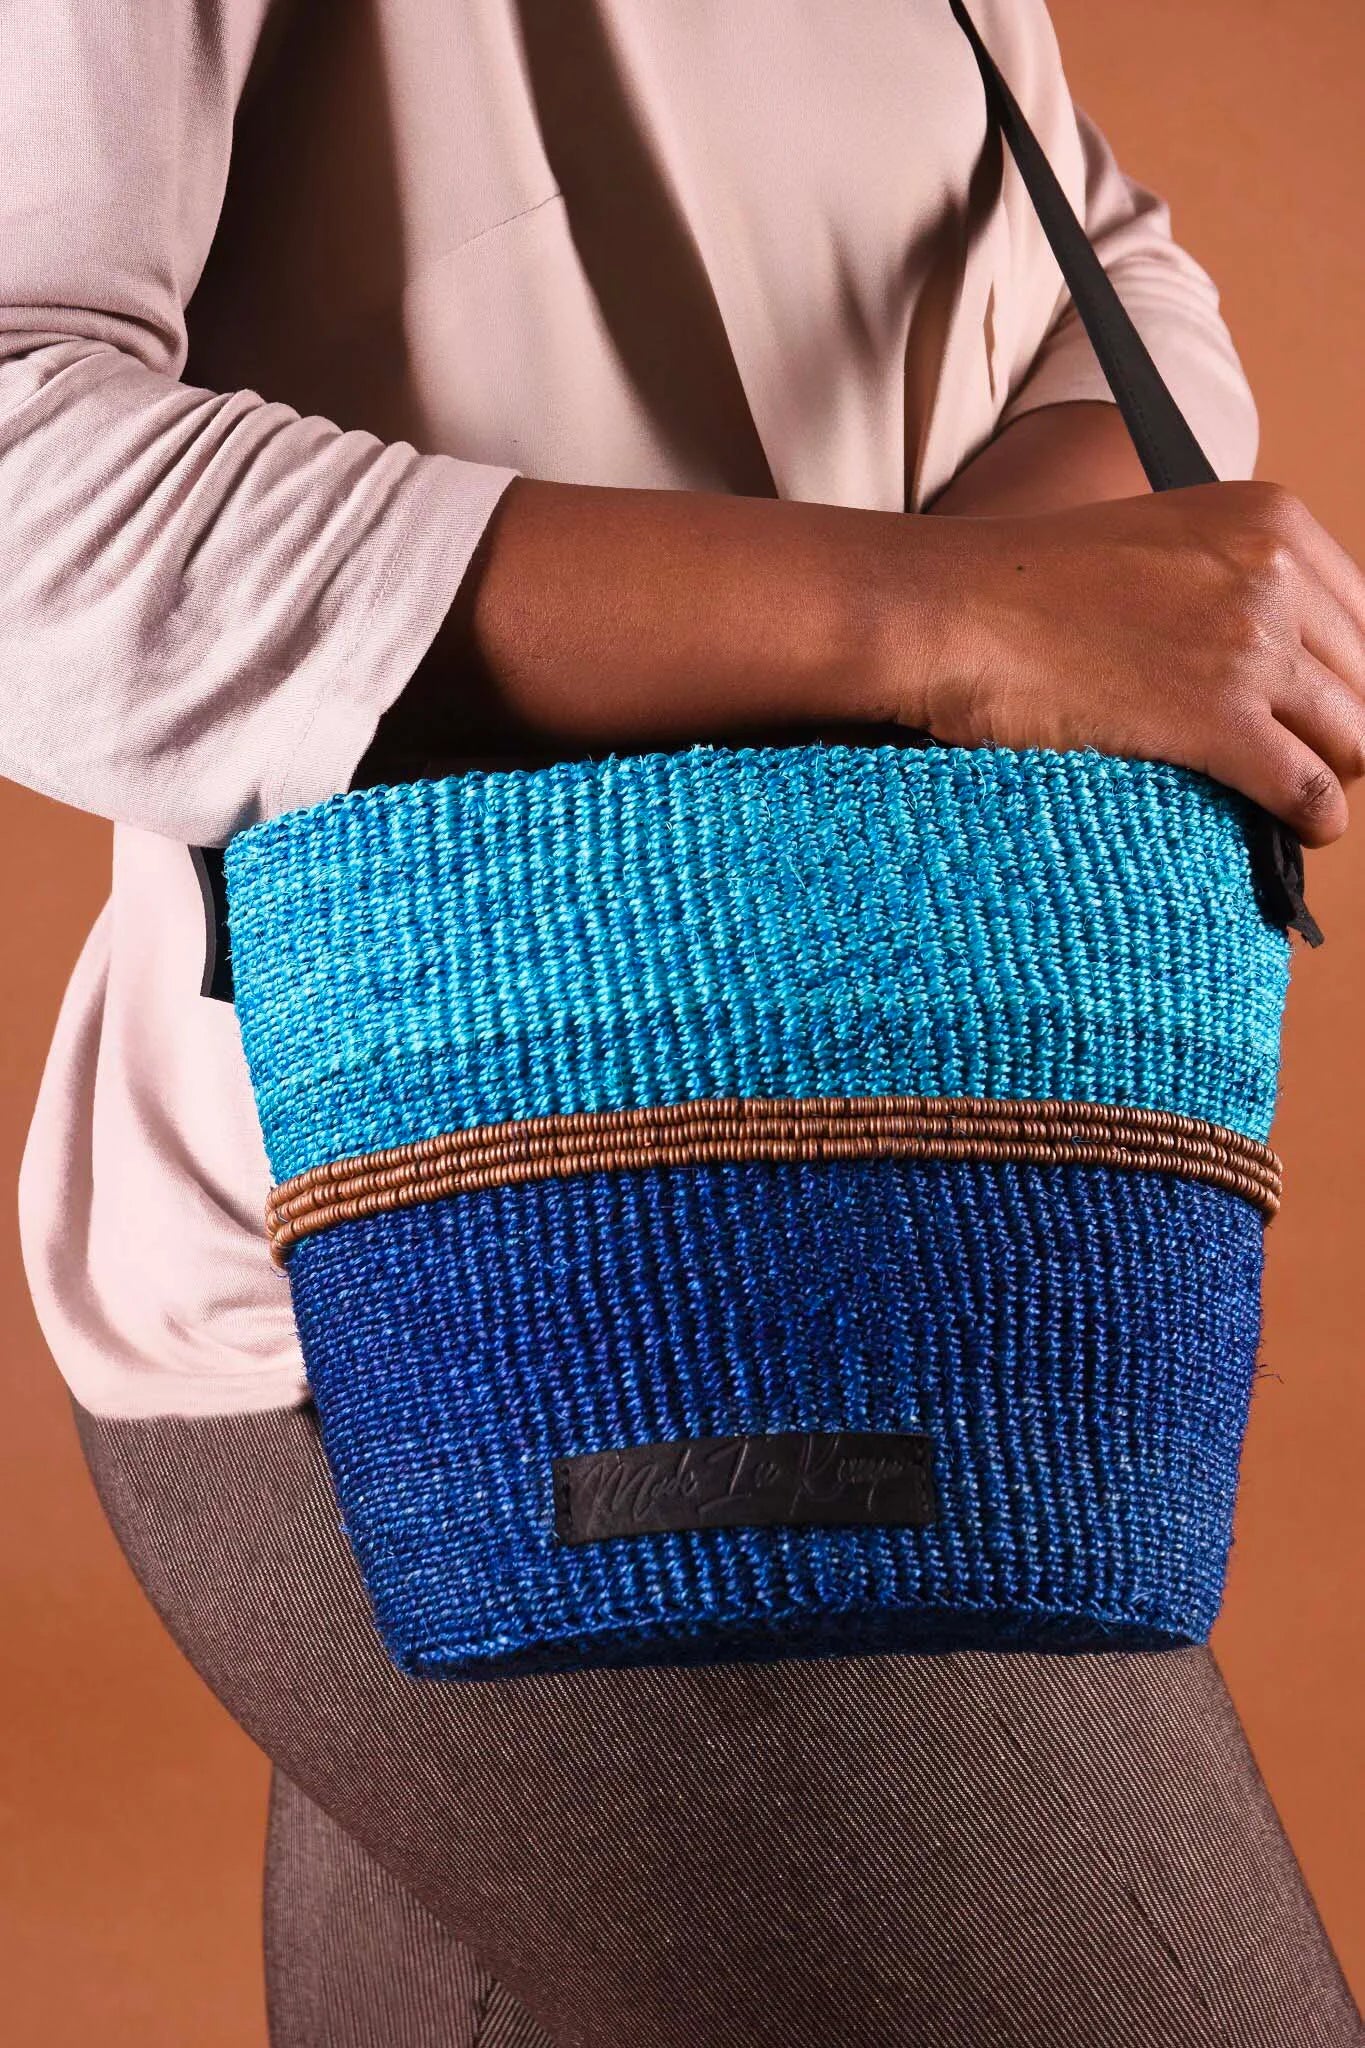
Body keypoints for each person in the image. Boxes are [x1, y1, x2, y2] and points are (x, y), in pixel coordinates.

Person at [3, 1, 1361, 2041]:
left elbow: (1060, 245)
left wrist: (1064, 604)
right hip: (453, 1247)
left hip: (917, 1190)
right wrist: (941, 638)